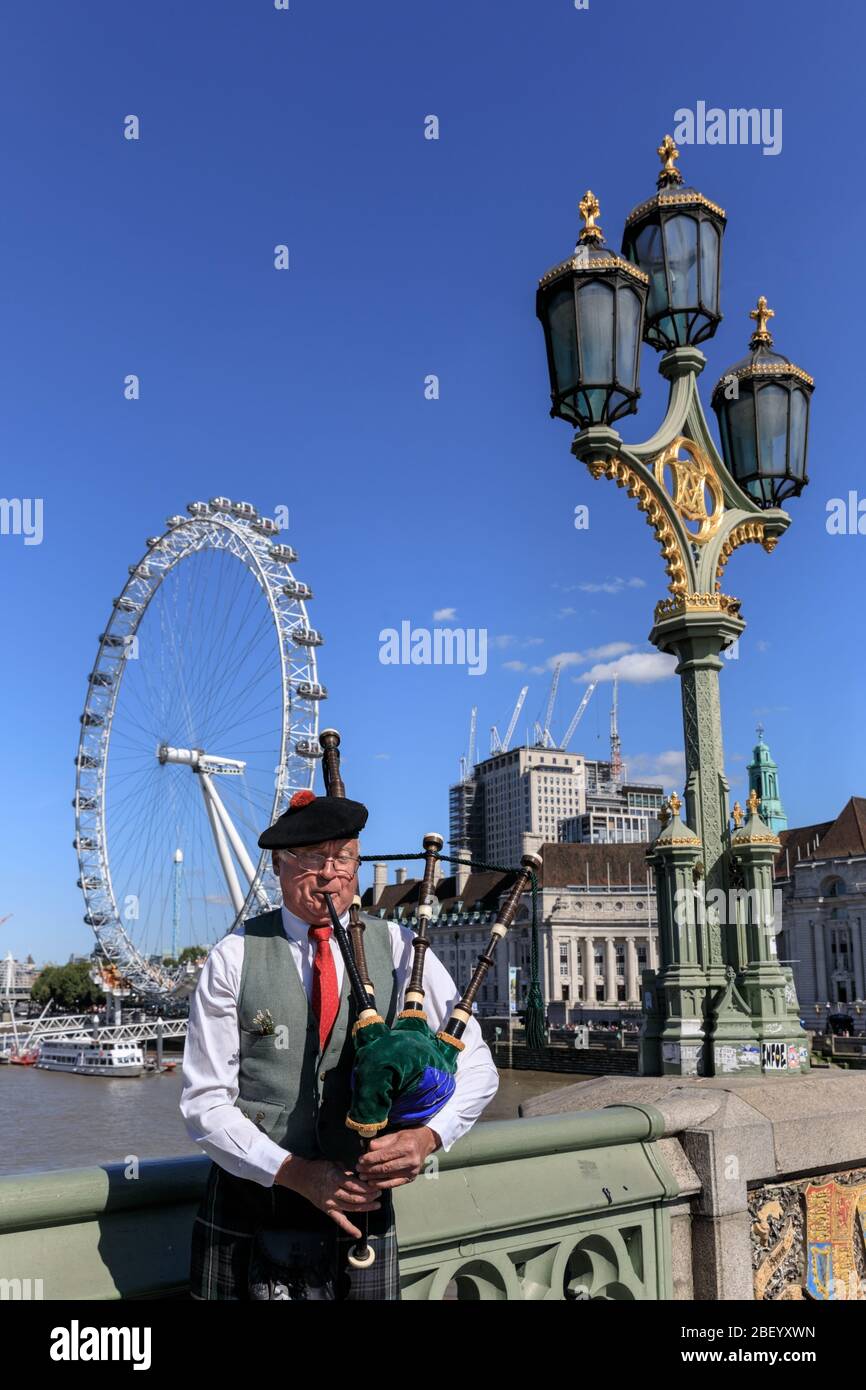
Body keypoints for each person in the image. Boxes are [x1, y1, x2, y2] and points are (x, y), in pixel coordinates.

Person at [180, 787, 499, 1300]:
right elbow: (204, 1102)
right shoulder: (234, 957)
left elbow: (477, 1063)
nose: (331, 873)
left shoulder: (398, 947)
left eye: (344, 857)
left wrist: (428, 1138)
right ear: (278, 866)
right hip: (253, 1202)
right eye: (311, 858)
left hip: (362, 1208)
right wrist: (294, 1172)